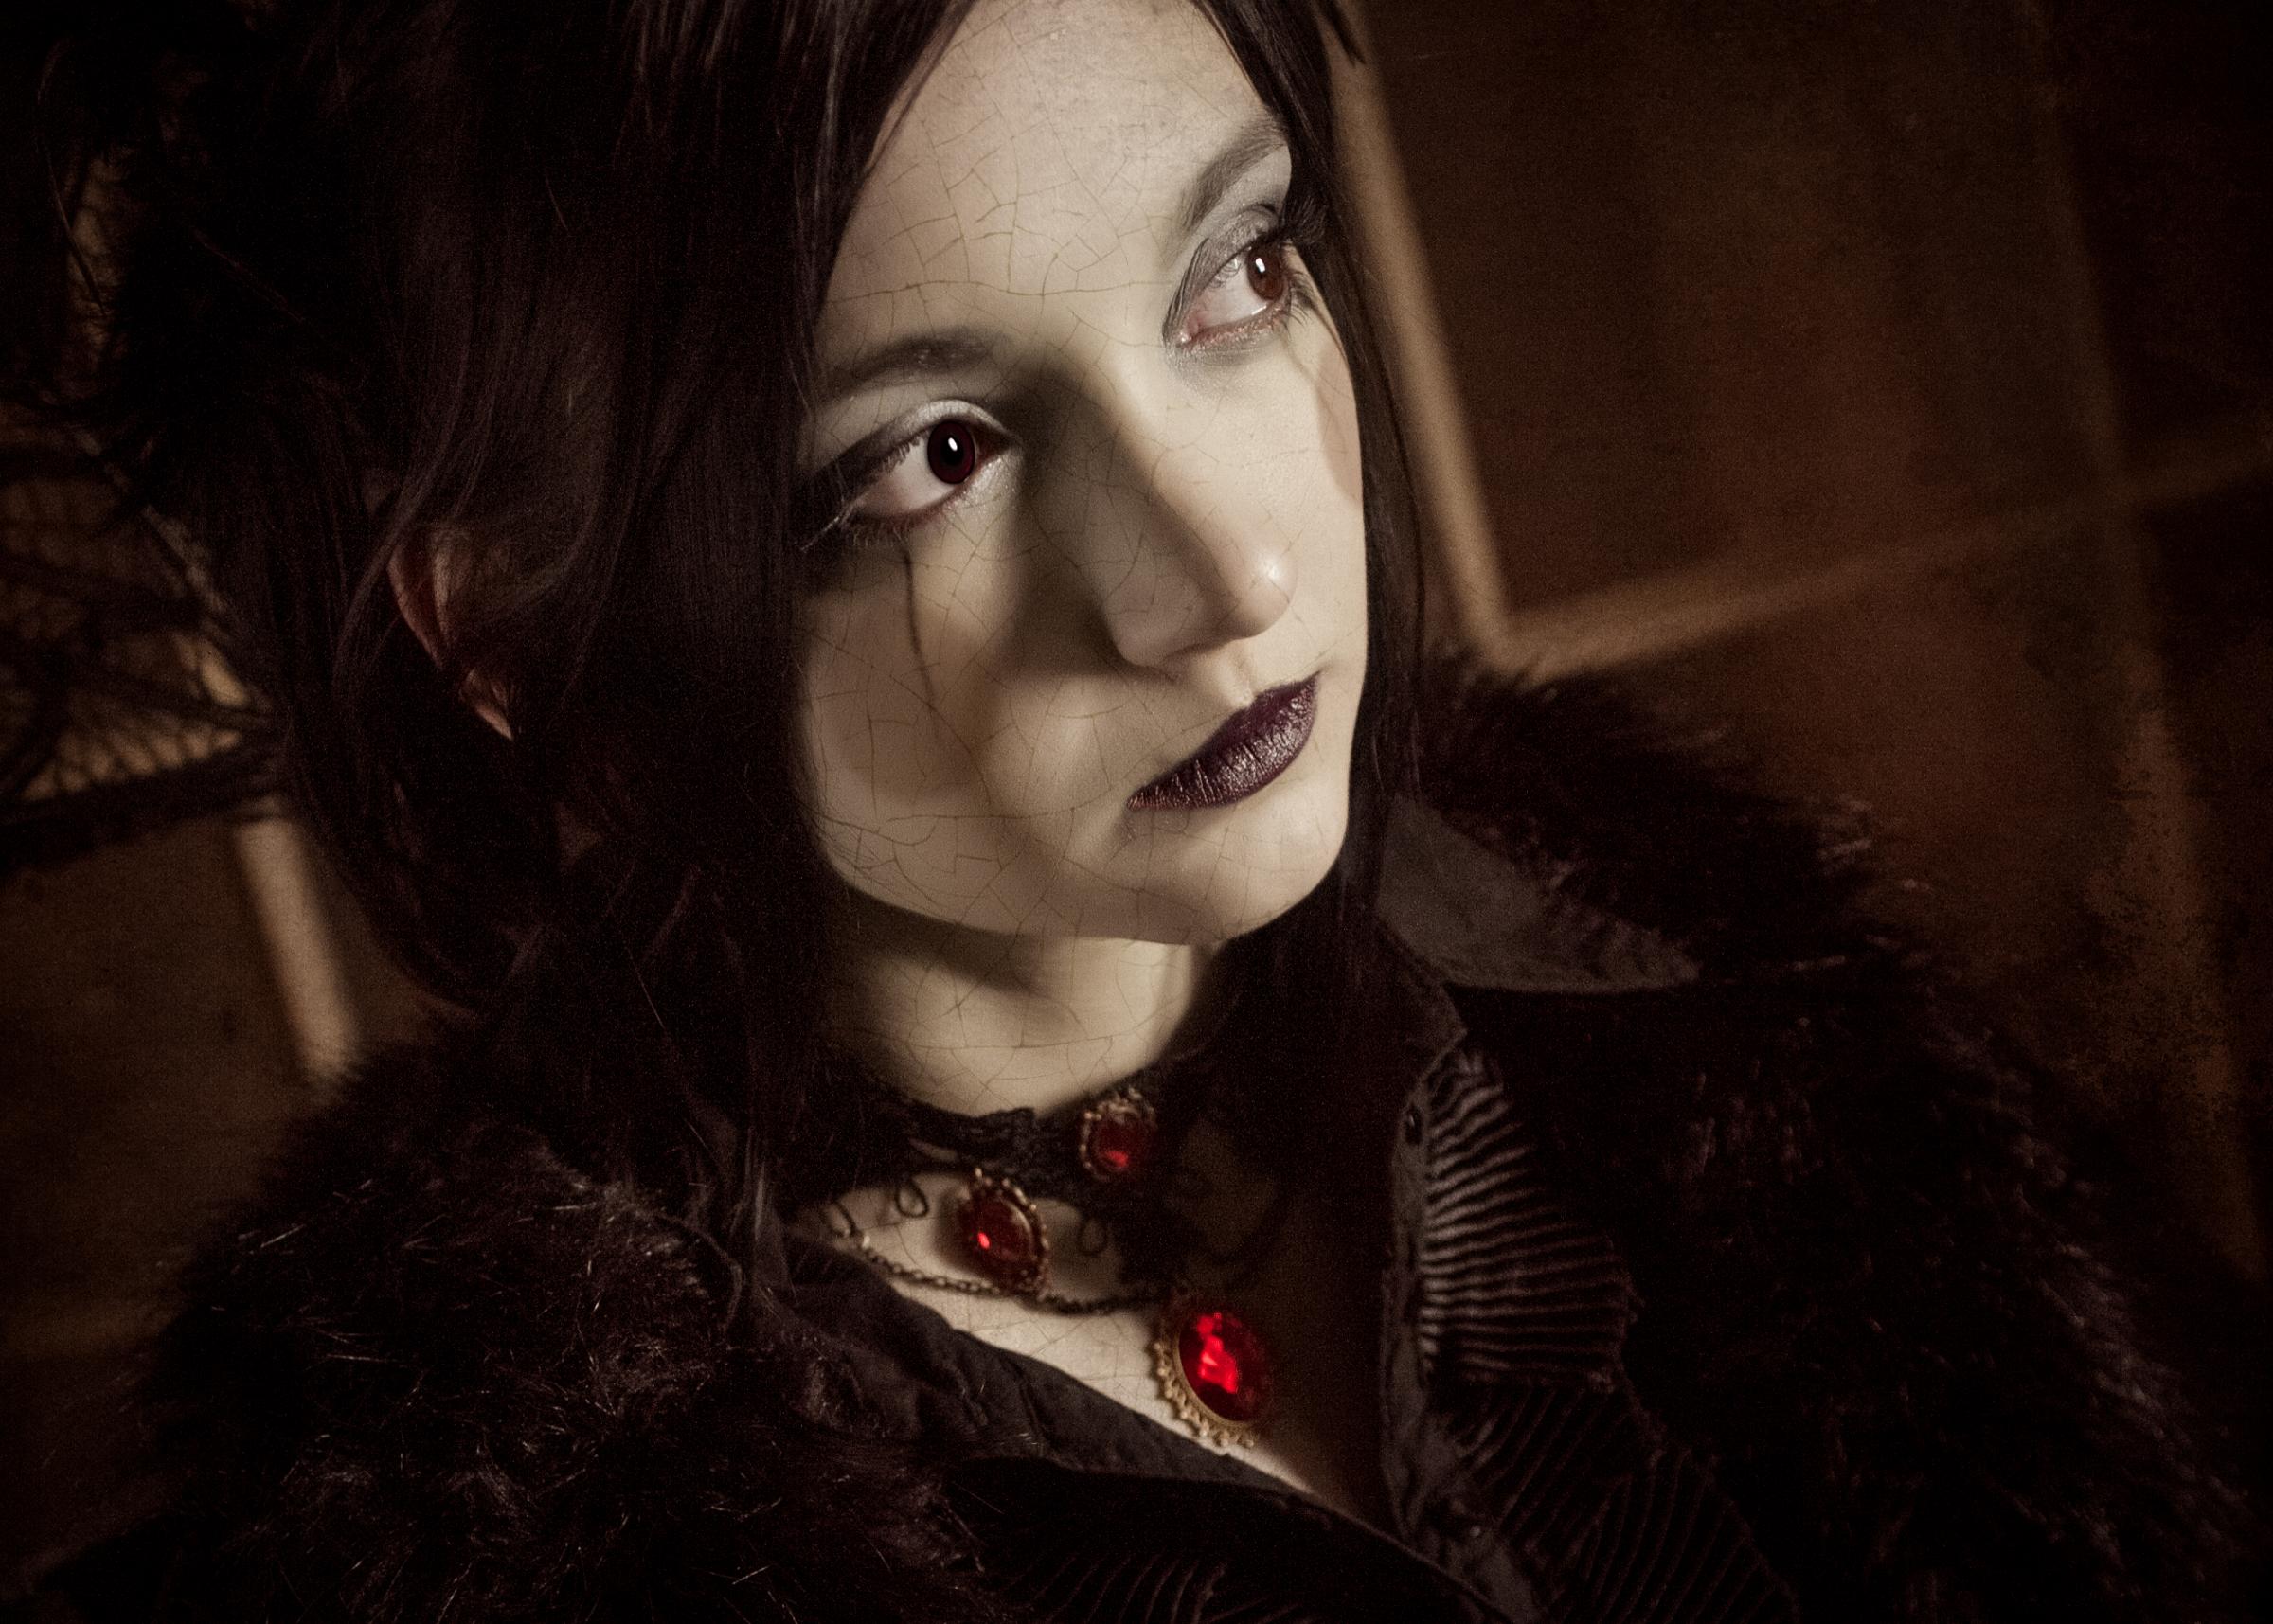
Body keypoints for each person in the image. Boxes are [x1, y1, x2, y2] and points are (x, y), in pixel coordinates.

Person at [6, 0, 2254, 1618]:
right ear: (510, 631)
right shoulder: (490, 1547)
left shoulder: (1749, 1013)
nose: (1236, 573)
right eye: (936, 454)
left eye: (1238, 274)